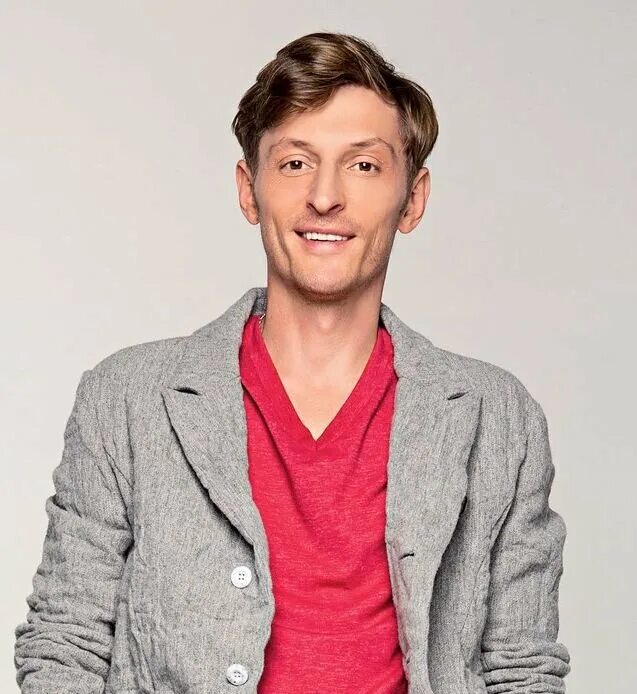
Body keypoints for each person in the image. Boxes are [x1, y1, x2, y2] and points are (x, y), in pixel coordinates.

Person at [14, 31, 570, 693]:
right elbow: (65, 645)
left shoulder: (496, 416)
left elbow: (521, 667)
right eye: (295, 163)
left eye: (363, 165)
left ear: (413, 198)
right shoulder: (127, 398)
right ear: (249, 190)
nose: (325, 196)